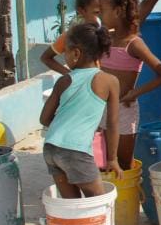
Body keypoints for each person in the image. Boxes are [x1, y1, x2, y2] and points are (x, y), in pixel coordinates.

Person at [40, 22, 122, 194]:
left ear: (76, 53)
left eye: (66, 52)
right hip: (76, 151)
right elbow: (113, 124)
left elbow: (44, 119)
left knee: (72, 208)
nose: (65, 57)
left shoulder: (64, 80)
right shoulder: (109, 81)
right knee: (98, 204)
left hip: (51, 148)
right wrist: (112, 159)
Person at [99, 0, 161, 169]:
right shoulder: (106, 39)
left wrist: (135, 93)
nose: (100, 15)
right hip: (101, 108)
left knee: (123, 163)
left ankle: (129, 197)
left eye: (103, 10)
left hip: (124, 109)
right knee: (103, 160)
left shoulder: (134, 44)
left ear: (118, 11)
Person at [41, 0, 102, 76]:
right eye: (97, 12)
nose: (101, 15)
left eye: (103, 11)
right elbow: (46, 57)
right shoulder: (72, 35)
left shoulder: (102, 30)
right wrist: (70, 75)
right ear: (82, 10)